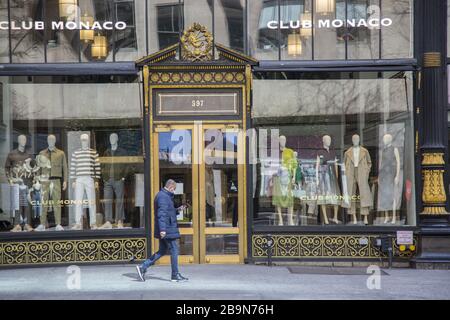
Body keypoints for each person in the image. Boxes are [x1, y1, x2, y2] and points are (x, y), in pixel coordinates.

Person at [136, 179, 188, 282]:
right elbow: (161, 214)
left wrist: (177, 210)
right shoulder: (163, 197)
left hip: (166, 228)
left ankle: (143, 267)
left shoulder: (164, 196)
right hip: (167, 229)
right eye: (174, 189)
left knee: (162, 250)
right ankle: (175, 275)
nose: (174, 191)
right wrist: (163, 230)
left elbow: (168, 212)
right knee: (174, 250)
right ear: (170, 187)